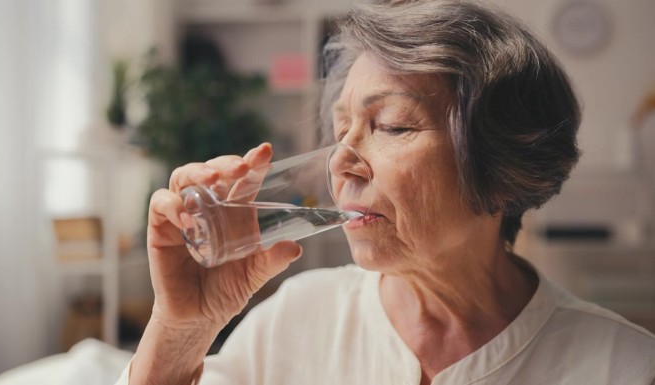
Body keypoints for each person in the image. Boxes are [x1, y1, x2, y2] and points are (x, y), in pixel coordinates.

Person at [117, 1, 655, 384]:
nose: (340, 161)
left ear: (502, 163)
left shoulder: (622, 367)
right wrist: (182, 330)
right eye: (341, 126)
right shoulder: (297, 317)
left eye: (393, 125)